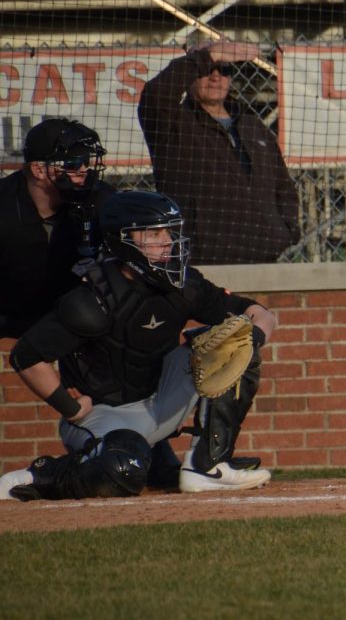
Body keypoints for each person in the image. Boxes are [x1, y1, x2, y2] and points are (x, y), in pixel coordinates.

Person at [0, 190, 274, 500]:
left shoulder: (183, 284)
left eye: (169, 231)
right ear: (124, 240)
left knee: (236, 342)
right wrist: (72, 409)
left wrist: (254, 337)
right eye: (154, 233)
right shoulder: (93, 298)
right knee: (123, 469)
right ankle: (42, 476)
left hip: (159, 404)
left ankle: (207, 465)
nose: (168, 240)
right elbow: (26, 356)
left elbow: (260, 314)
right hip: (104, 417)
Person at [137, 40, 300, 265]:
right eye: (207, 70)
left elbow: (283, 186)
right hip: (204, 262)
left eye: (224, 70)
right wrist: (207, 56)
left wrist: (285, 232)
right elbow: (155, 95)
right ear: (192, 72)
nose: (215, 77)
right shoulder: (173, 123)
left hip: (264, 257)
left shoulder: (252, 126)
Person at [0, 118, 113, 340]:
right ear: (39, 170)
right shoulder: (4, 206)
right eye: (73, 164)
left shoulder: (100, 198)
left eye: (87, 162)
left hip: (73, 319)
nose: (84, 170)